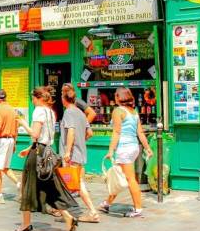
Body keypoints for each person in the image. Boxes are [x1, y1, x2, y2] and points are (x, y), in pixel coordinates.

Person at [14, 87, 79, 231]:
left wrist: (22, 122)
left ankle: (25, 224)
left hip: (37, 155)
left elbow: (35, 133)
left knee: (28, 187)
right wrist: (30, 147)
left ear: (37, 98)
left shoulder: (38, 111)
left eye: (33, 98)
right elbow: (45, 136)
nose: (32, 100)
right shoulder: (50, 112)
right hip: (47, 152)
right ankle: (68, 218)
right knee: (49, 188)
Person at [100, 87, 153, 218]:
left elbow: (117, 132)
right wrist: (147, 148)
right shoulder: (133, 112)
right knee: (118, 176)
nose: (114, 98)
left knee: (130, 180)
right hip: (134, 147)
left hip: (124, 148)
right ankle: (107, 203)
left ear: (119, 97)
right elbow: (140, 132)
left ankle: (138, 209)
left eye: (116, 96)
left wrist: (110, 150)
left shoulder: (118, 111)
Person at [60, 88, 99, 223]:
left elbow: (70, 131)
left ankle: (92, 211)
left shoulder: (69, 112)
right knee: (73, 183)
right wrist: (81, 140)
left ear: (64, 99)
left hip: (73, 154)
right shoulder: (81, 113)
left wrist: (67, 151)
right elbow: (90, 133)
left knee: (77, 183)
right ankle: (63, 211)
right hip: (81, 152)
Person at [0, 89, 20, 204]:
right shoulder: (12, 109)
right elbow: (16, 128)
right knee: (5, 167)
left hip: (1, 140)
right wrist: (15, 142)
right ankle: (19, 184)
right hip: (11, 139)